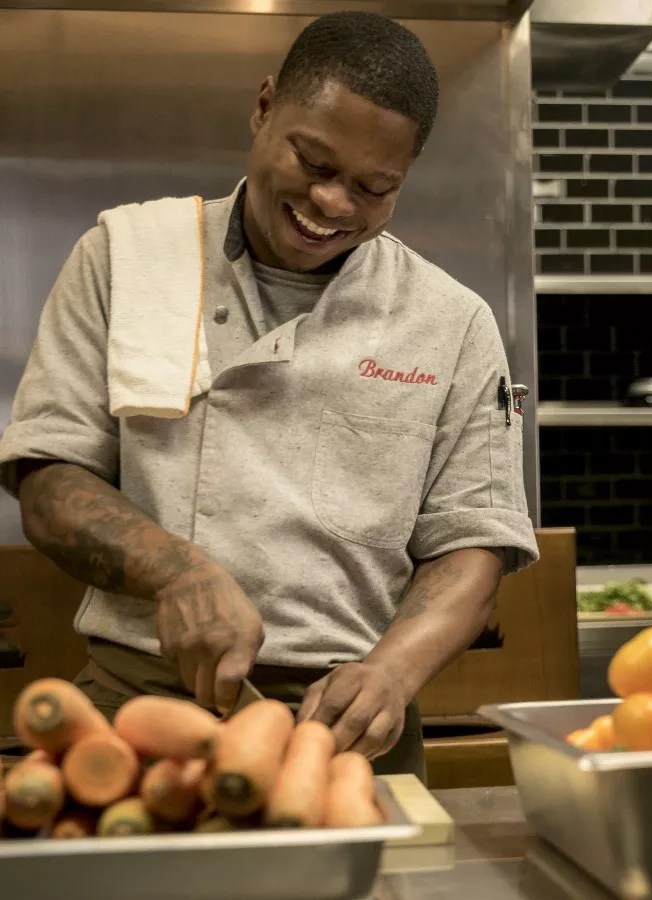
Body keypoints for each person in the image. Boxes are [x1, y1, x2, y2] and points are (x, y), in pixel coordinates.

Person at [0, 12, 538, 779]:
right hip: (141, 712)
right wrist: (175, 571)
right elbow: (49, 479)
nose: (334, 203)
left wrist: (391, 673)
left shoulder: (450, 321)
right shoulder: (126, 257)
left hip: (347, 736)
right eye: (313, 162)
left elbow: (473, 541)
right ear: (263, 108)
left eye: (375, 187)